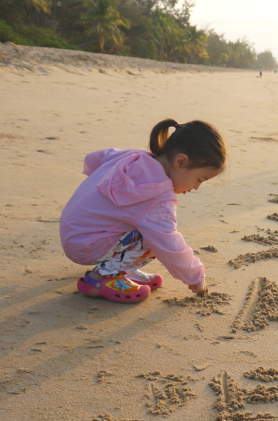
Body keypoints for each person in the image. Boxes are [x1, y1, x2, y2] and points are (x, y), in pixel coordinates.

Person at [59, 119, 226, 303]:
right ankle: (103, 277)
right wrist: (196, 276)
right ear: (180, 162)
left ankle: (122, 268)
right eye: (200, 179)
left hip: (73, 232)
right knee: (153, 239)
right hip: (87, 247)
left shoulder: (134, 157)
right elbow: (169, 244)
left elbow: (97, 157)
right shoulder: (157, 198)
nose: (196, 187)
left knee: (143, 225)